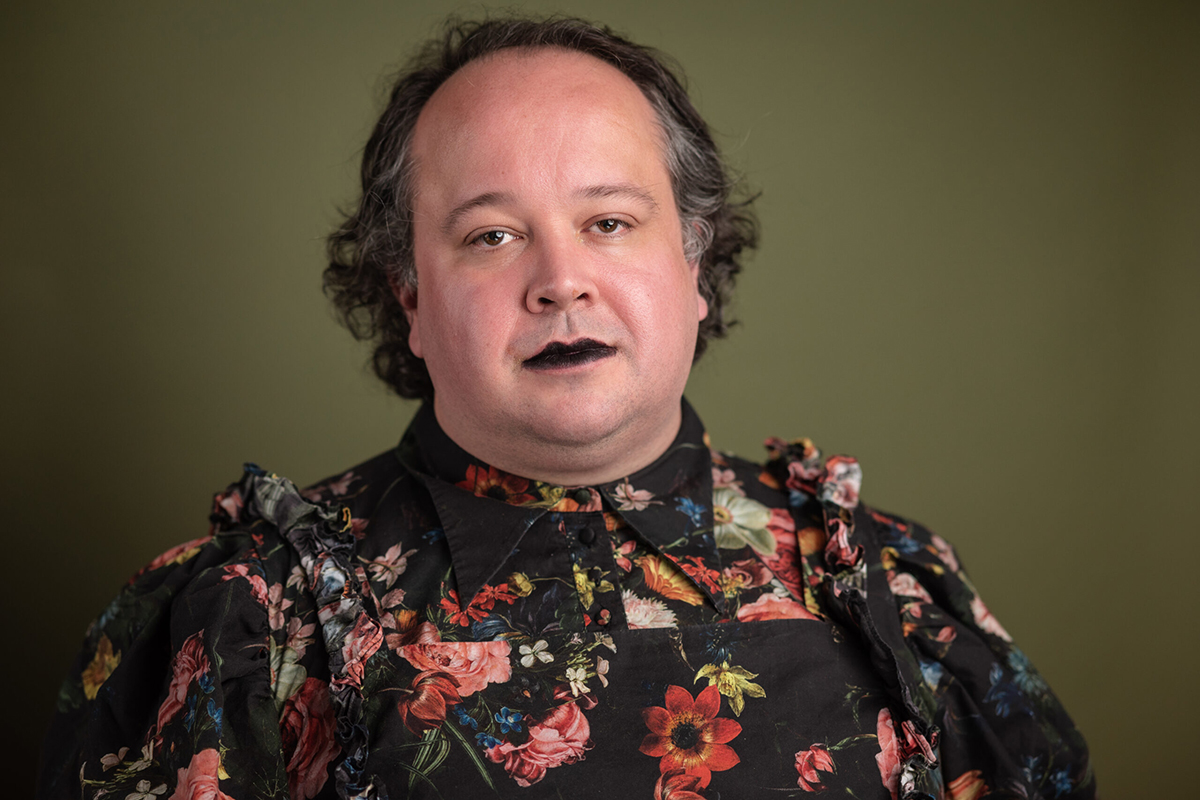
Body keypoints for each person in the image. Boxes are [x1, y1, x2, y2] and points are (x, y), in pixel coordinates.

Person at [38, 16, 1094, 800]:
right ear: (408, 294)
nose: (560, 279)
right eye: (491, 235)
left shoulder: (884, 591)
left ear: (695, 266)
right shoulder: (250, 620)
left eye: (610, 221)